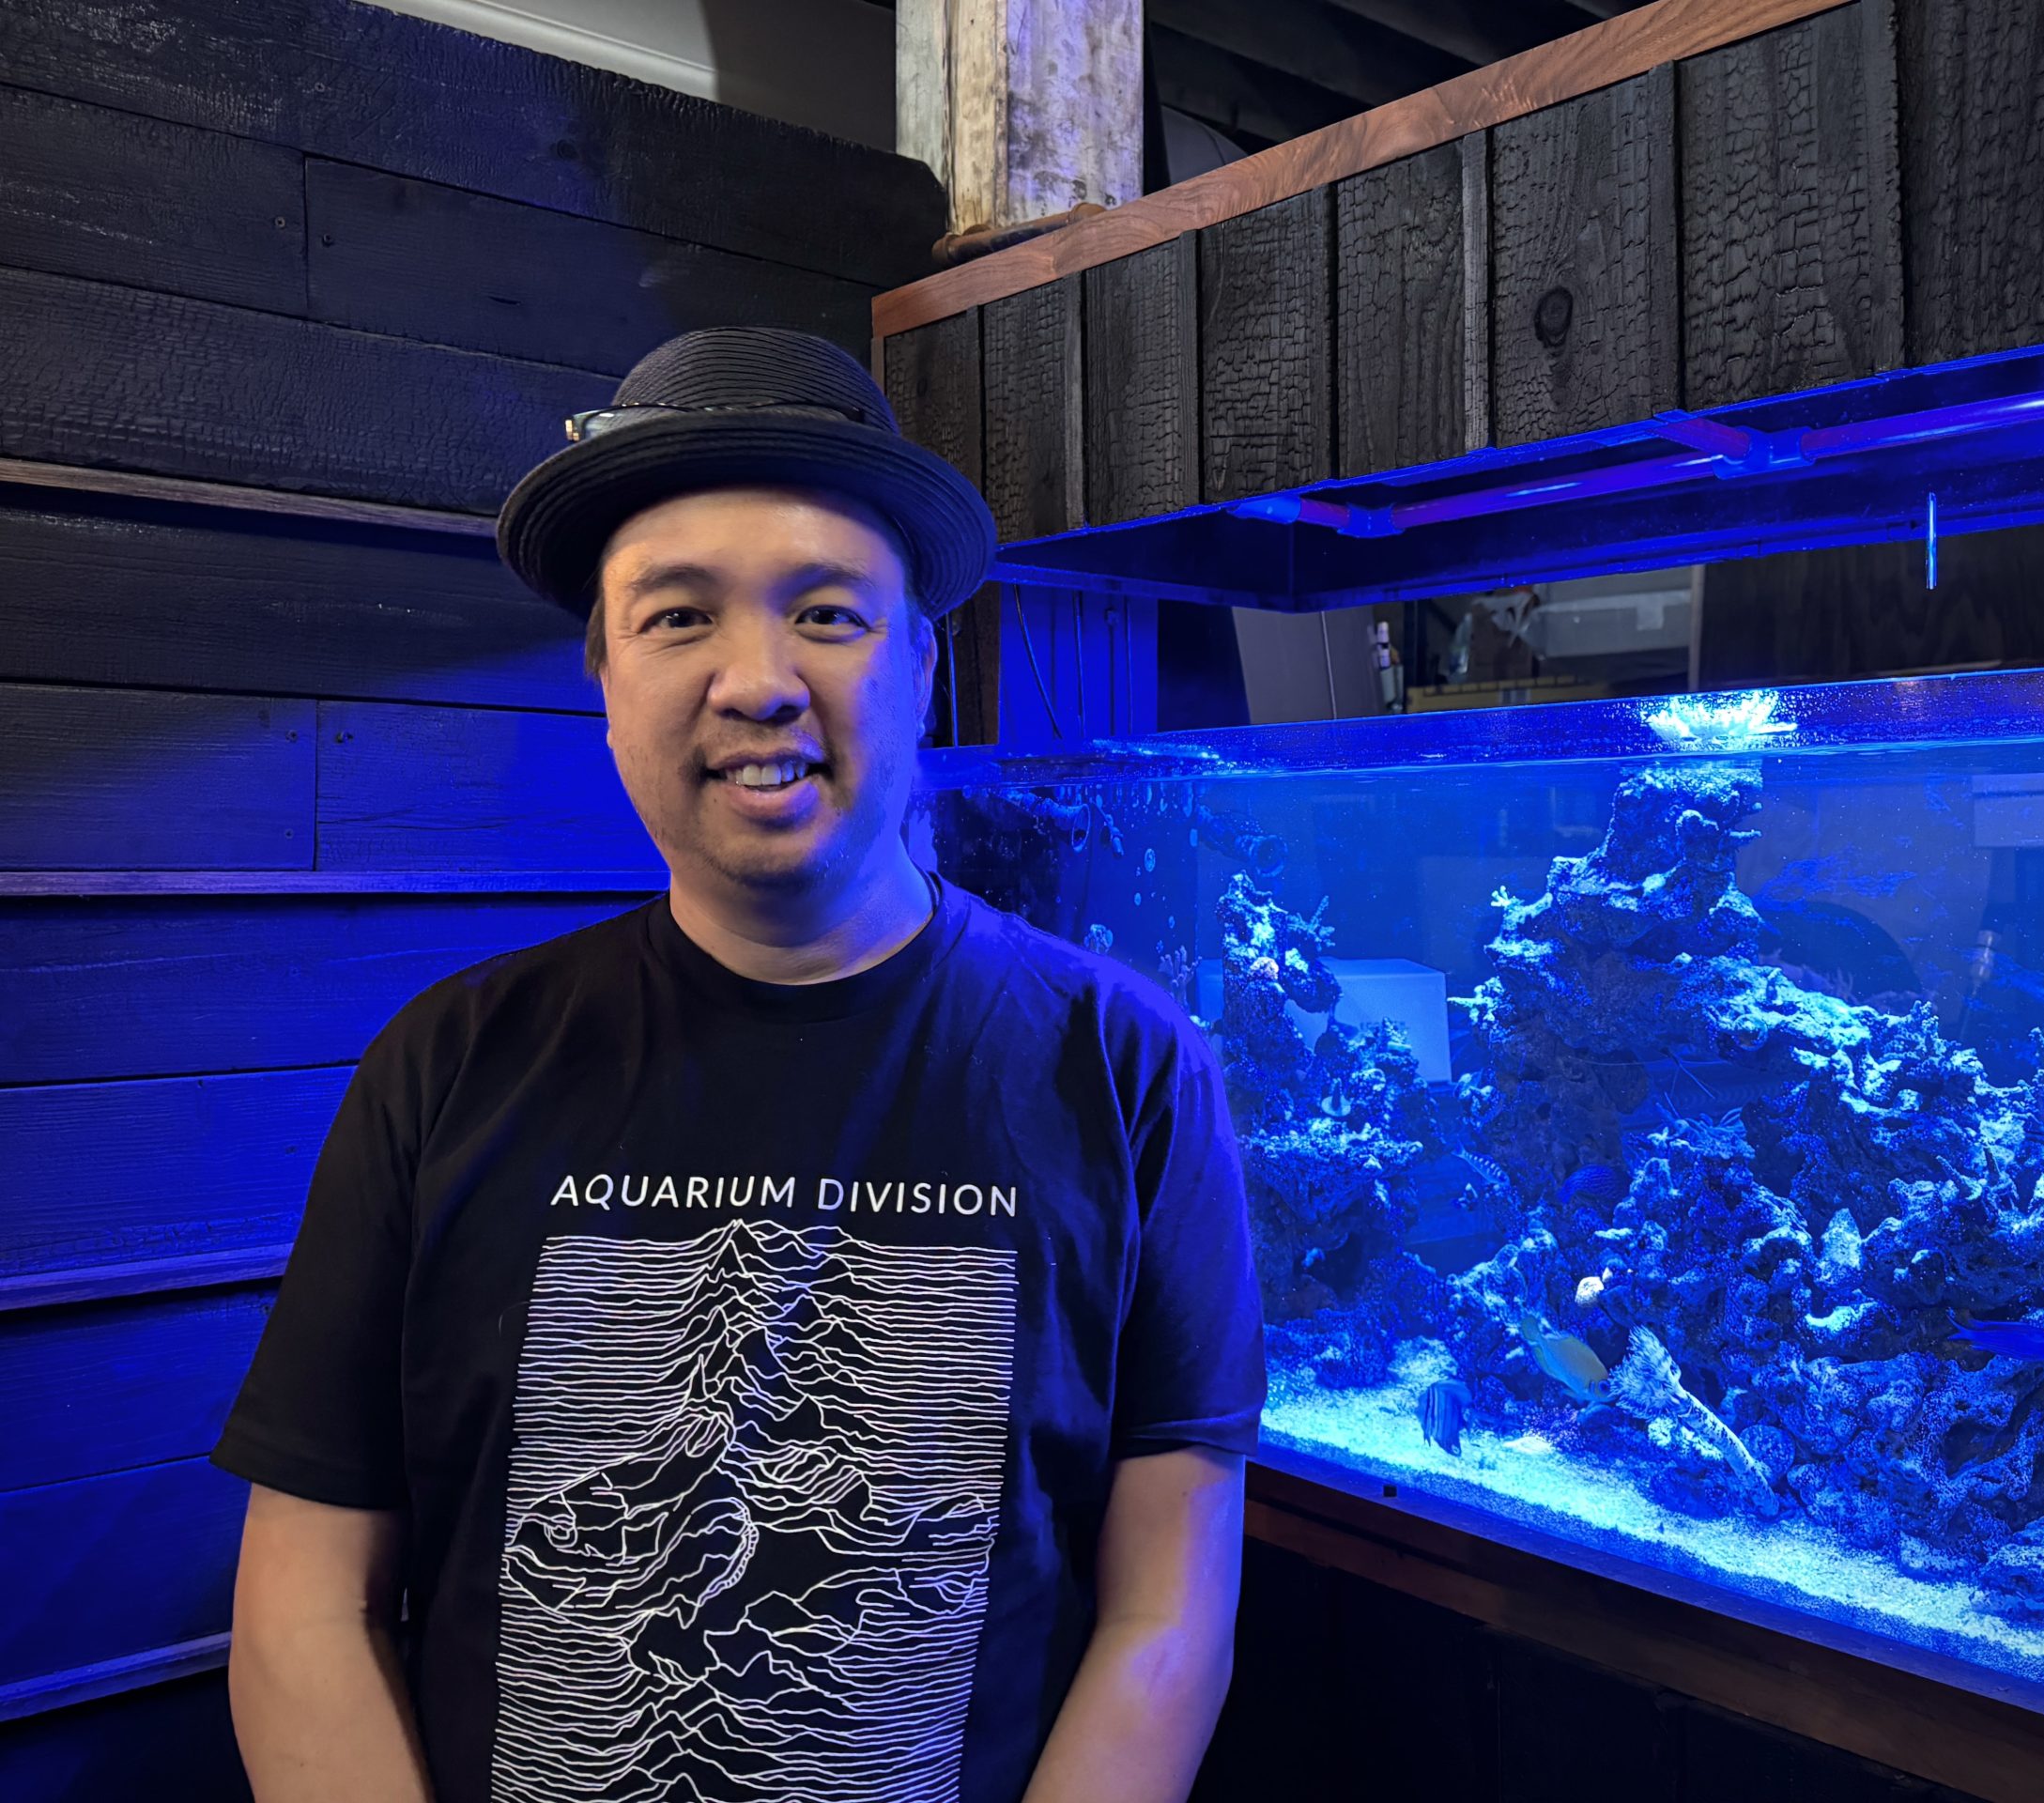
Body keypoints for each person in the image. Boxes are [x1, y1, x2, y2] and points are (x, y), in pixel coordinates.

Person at [212, 329, 1267, 1803]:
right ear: (603, 672)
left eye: (828, 614)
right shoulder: (447, 1064)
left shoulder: (1131, 1071)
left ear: (919, 666)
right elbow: (307, 1600)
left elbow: (1165, 1611)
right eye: (676, 617)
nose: (757, 682)